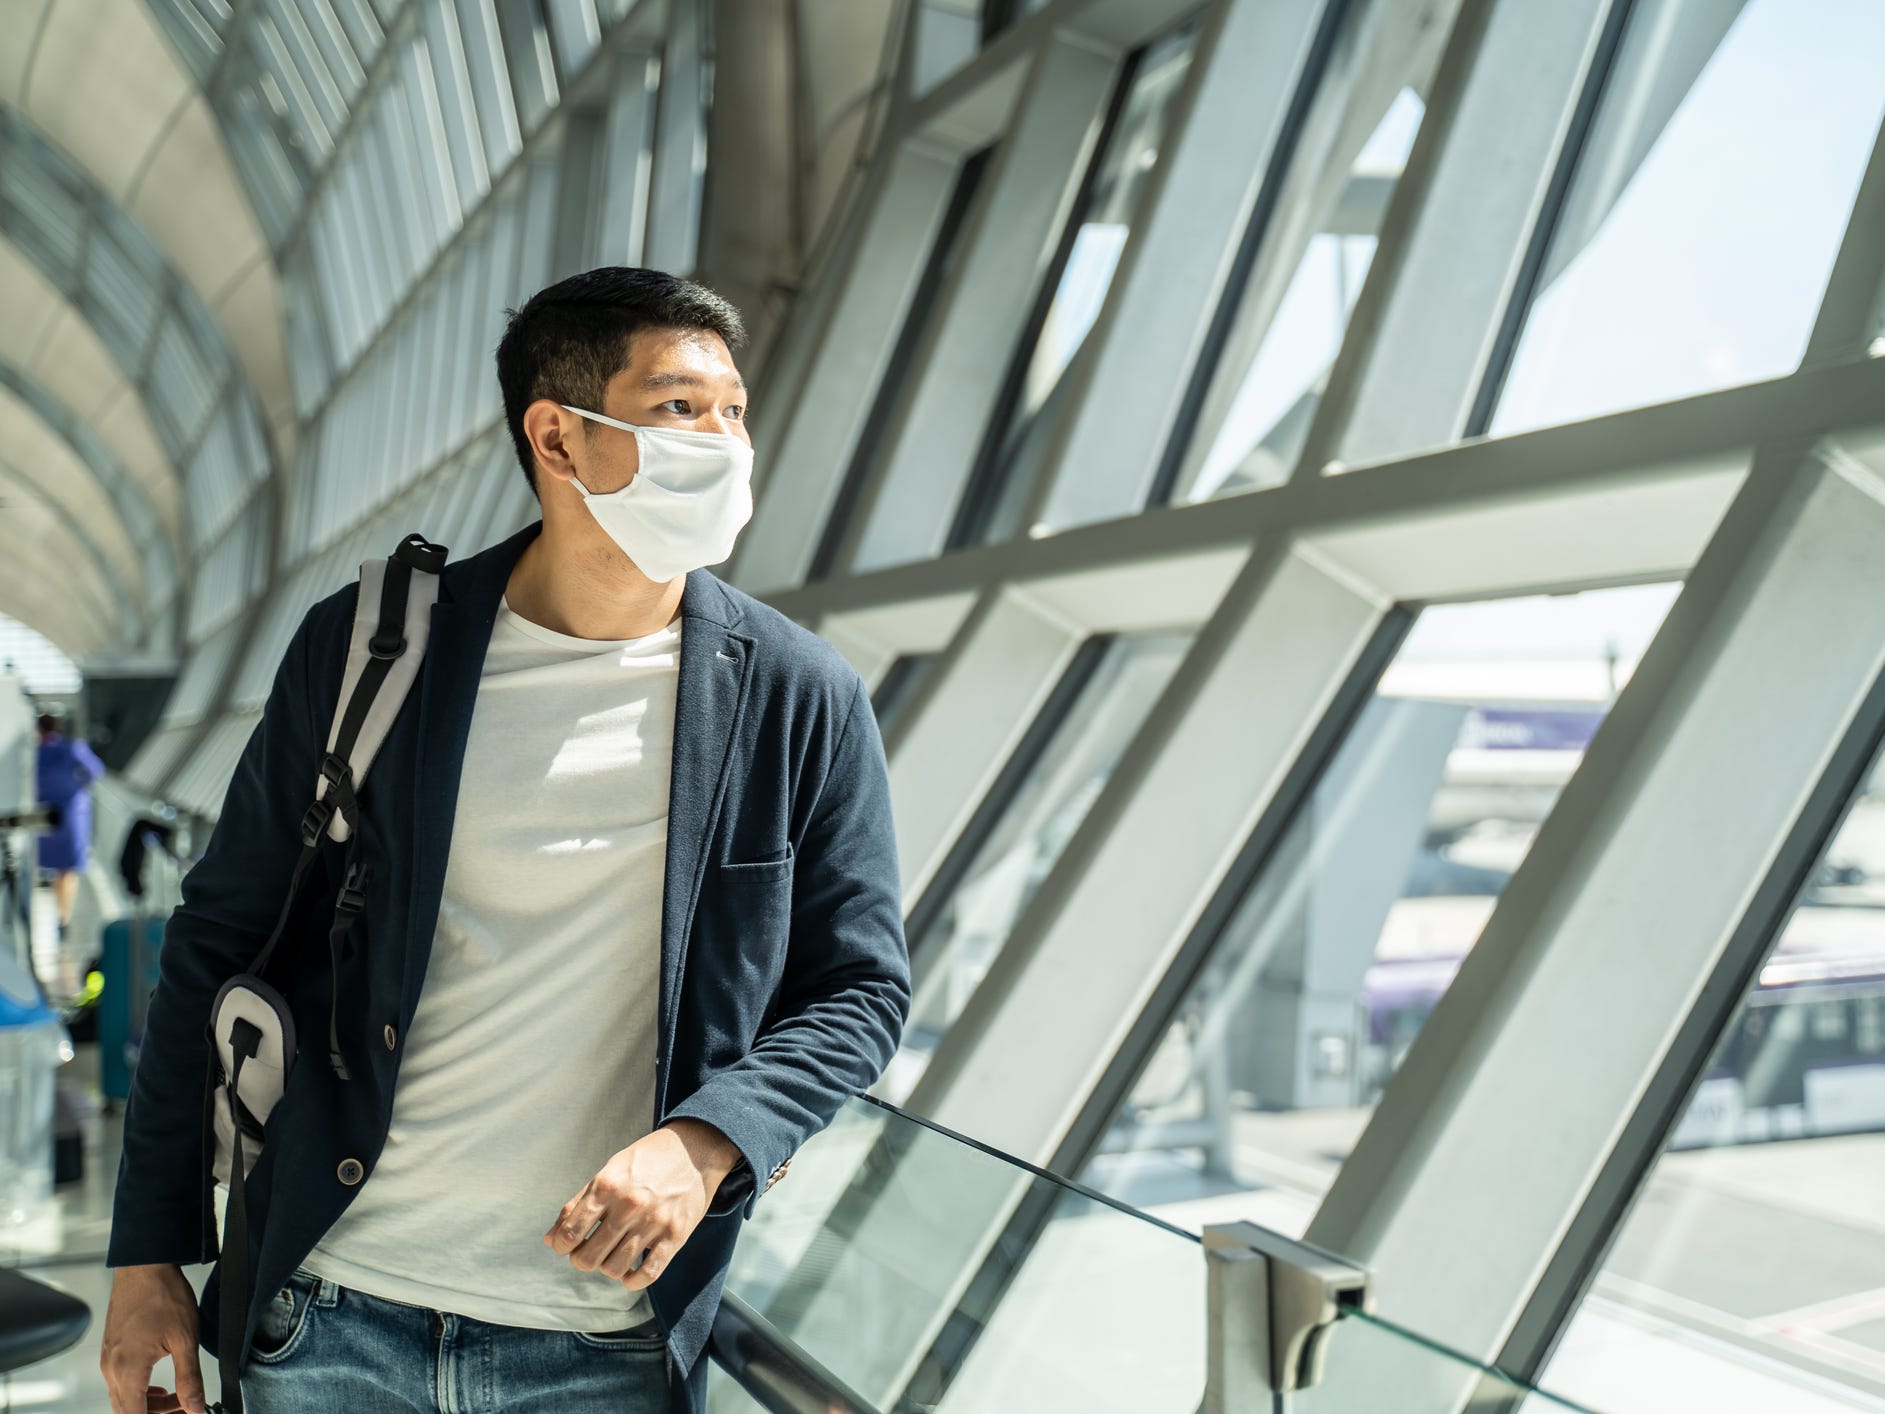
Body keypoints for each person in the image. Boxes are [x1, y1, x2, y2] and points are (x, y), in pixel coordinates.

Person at [98, 267, 911, 1414]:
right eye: (681, 408)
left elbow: (860, 991)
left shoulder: (796, 697)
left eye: (734, 410)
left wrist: (708, 1139)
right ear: (558, 436)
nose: (725, 443)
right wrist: (148, 1257)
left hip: (599, 1348)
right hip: (330, 1314)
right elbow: (217, 937)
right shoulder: (375, 654)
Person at [35, 711, 106, 939]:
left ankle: (61, 914)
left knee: (52, 866)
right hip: (70, 813)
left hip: (44, 814)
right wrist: (77, 787)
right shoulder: (71, 748)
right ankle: (64, 916)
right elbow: (96, 770)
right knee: (67, 870)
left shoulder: (35, 752)